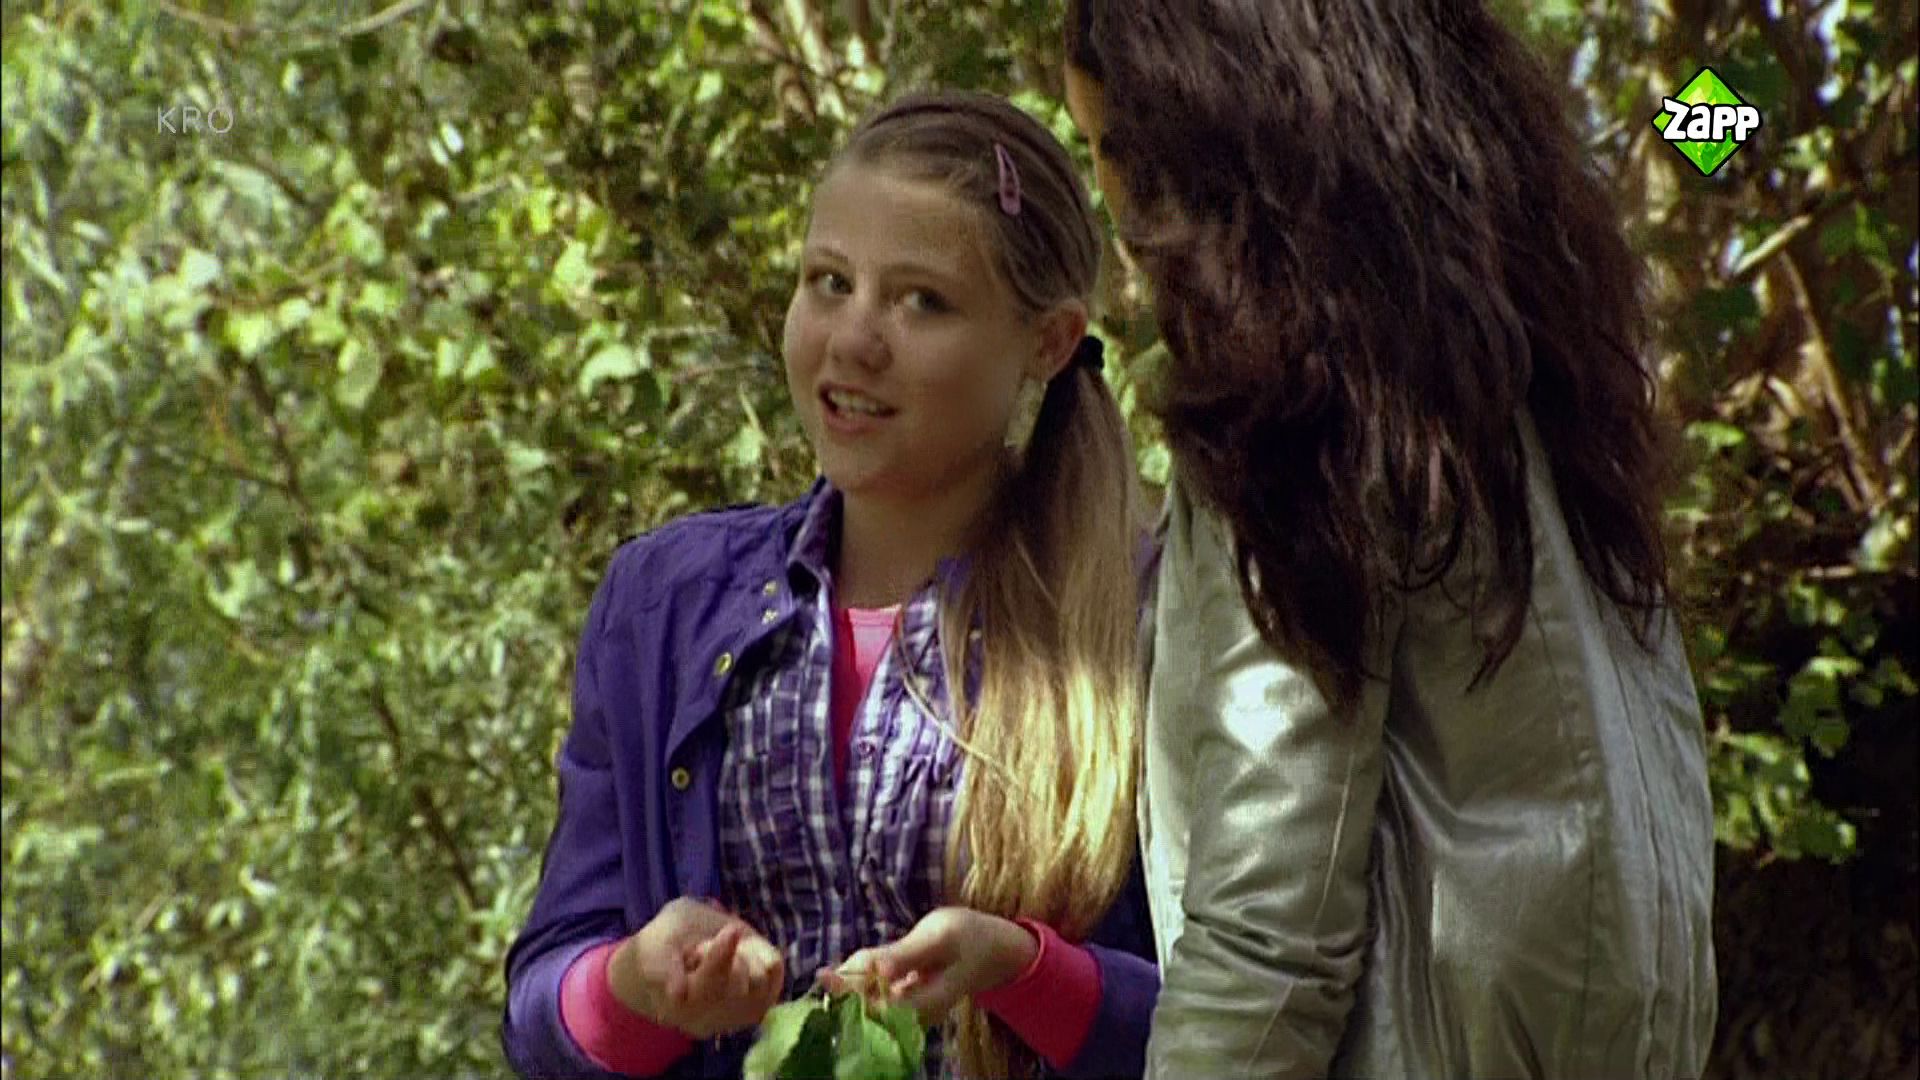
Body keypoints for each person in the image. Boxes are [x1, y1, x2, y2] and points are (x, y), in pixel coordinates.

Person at [1061, 2, 1719, 1077]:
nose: (1117, 206)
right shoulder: (1544, 401)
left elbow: (1270, 940)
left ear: (1206, 136)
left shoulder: (1295, 420)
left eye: (1118, 148)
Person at [500, 89, 1159, 1080]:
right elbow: (541, 1013)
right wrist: (637, 986)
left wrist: (1025, 973)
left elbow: (1253, 1010)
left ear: (1049, 341)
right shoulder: (662, 605)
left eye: (922, 300)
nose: (854, 340)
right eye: (829, 282)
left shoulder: (1139, 621)